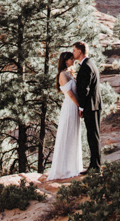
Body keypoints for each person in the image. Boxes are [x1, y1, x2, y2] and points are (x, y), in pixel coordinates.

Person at [47, 50, 83, 181]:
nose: (73, 61)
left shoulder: (69, 72)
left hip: (73, 106)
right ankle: (64, 169)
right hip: (70, 106)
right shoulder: (62, 74)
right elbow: (71, 94)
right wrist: (80, 106)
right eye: (71, 59)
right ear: (65, 60)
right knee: (68, 134)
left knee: (74, 134)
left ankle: (73, 166)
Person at [72, 40, 102, 173]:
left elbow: (85, 89)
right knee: (93, 135)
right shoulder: (90, 64)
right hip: (94, 105)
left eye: (74, 50)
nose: (73, 53)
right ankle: (95, 165)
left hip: (90, 106)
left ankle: (95, 167)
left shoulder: (86, 66)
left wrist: (81, 107)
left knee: (93, 136)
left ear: (80, 51)